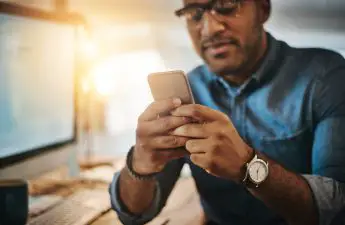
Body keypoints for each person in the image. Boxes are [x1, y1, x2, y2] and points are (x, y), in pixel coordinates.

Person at [109, 0, 345, 224]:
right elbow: (134, 215)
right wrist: (140, 163)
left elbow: (337, 209)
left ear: (263, 9)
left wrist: (247, 166)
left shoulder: (326, 77)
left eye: (227, 5)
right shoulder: (189, 91)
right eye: (194, 13)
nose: (210, 29)